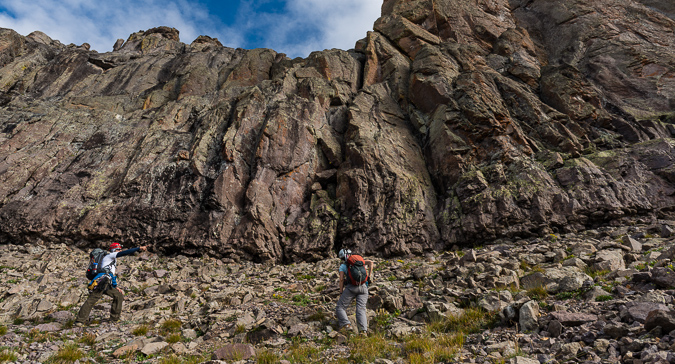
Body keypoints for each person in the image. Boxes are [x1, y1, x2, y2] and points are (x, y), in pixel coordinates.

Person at [75, 243, 148, 325]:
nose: (120, 251)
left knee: (118, 295)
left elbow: (111, 275)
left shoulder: (112, 261)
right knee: (92, 299)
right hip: (101, 281)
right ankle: (79, 321)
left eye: (120, 249)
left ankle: (114, 319)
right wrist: (139, 248)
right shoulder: (110, 256)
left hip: (106, 282)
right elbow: (125, 252)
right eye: (118, 249)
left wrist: (115, 286)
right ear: (113, 249)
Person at [335, 248, 374, 335]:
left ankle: (347, 325)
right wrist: (370, 276)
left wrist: (341, 292)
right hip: (363, 287)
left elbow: (341, 280)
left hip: (351, 288)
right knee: (361, 309)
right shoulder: (360, 261)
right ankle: (363, 332)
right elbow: (371, 262)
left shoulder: (343, 266)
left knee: (340, 307)